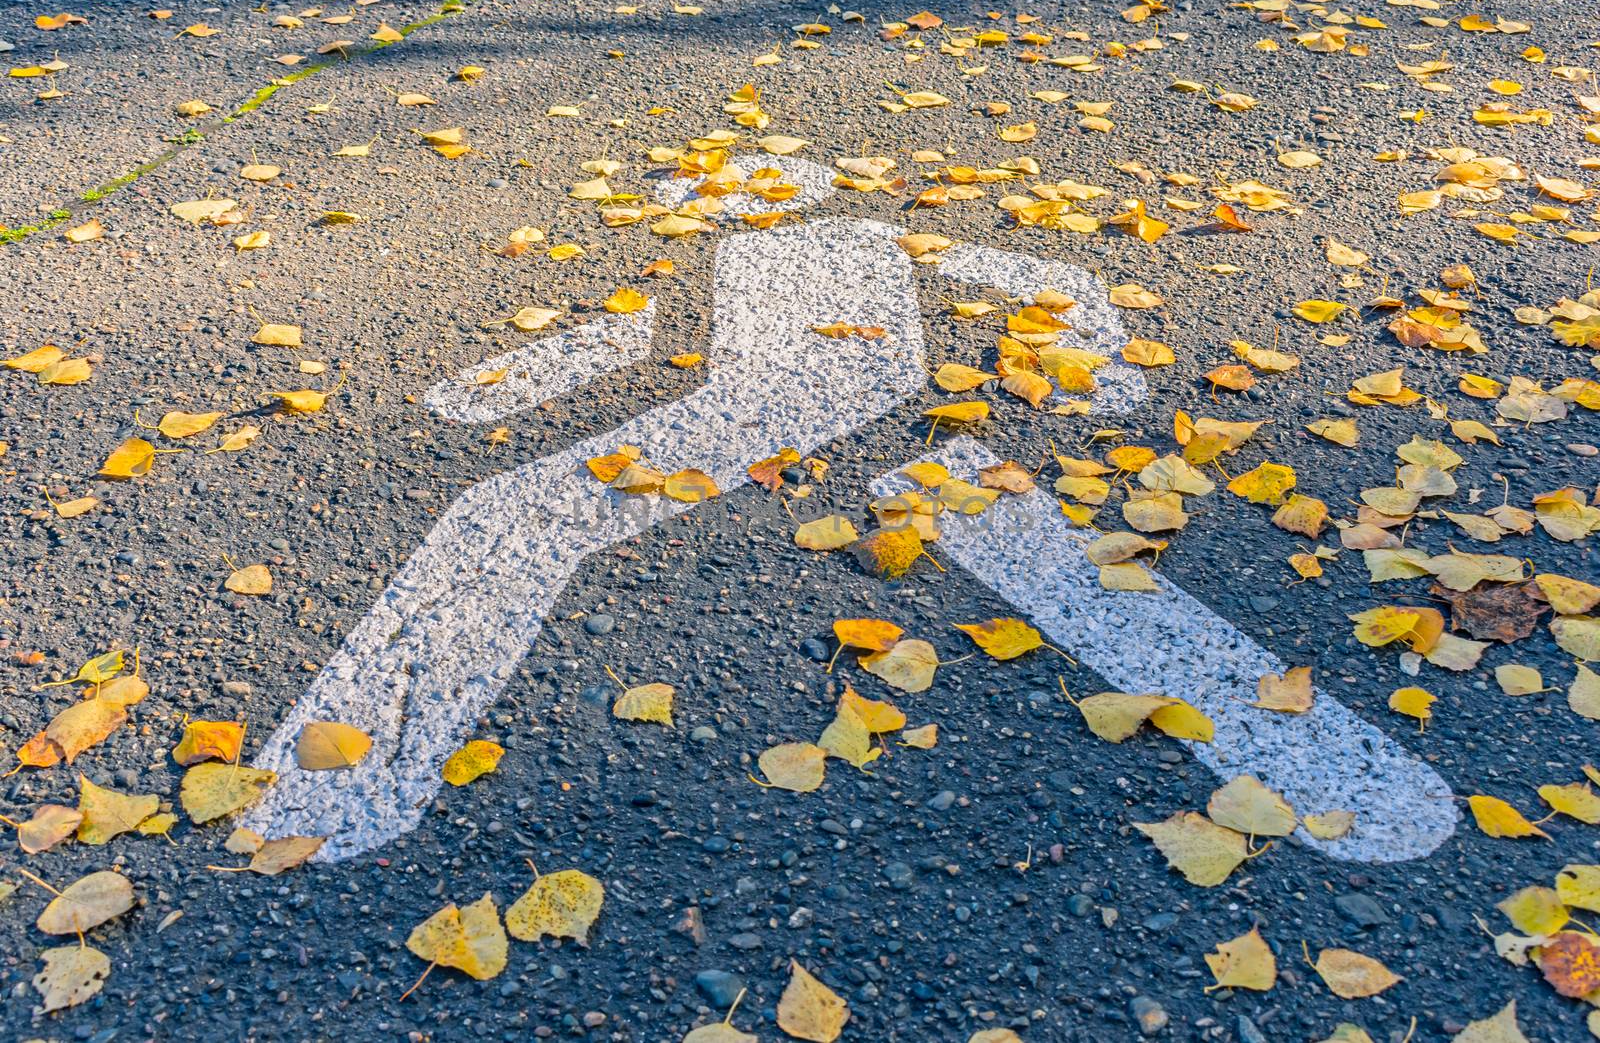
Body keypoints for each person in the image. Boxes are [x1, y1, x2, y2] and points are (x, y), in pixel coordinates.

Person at [244, 157, 1454, 864]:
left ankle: (340, 782)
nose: (750, 194)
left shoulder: (867, 232)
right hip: (813, 410)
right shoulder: (729, 255)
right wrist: (500, 380)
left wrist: (1094, 342)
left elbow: (1034, 273)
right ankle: (1324, 767)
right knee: (1038, 556)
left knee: (509, 515)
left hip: (808, 403)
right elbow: (639, 336)